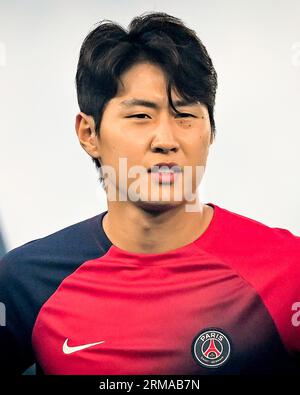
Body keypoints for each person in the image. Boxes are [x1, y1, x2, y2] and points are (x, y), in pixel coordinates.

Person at [0, 11, 299, 375]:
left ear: (211, 132)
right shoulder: (26, 281)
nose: (166, 140)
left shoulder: (288, 270)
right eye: (141, 116)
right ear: (88, 134)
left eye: (185, 115)